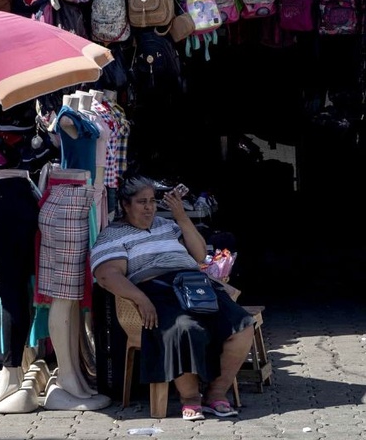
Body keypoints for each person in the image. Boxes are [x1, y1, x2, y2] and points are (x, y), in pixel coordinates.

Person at [90, 175, 255, 421]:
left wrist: (181, 216)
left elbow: (200, 256)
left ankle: (216, 393)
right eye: (141, 202)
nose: (149, 207)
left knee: (242, 326)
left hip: (194, 284)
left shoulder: (166, 226)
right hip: (155, 288)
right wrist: (141, 299)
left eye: (152, 202)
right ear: (125, 204)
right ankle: (190, 398)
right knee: (184, 328)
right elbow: (107, 275)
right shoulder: (112, 235)